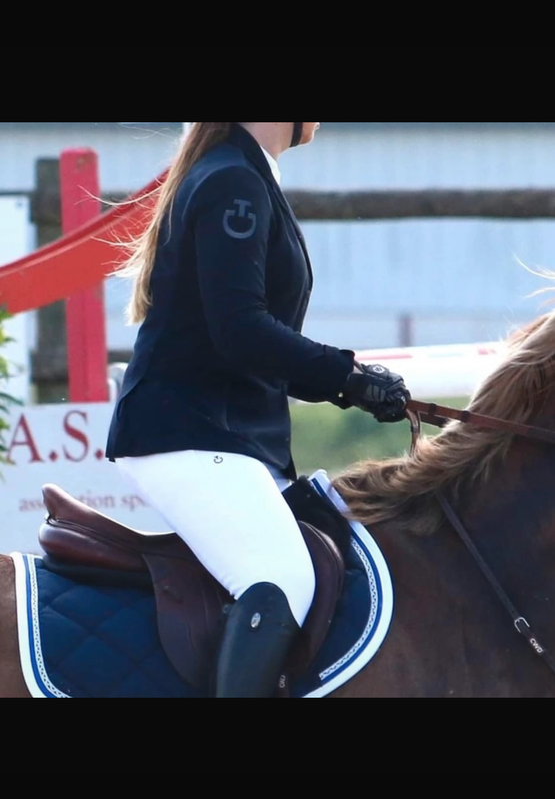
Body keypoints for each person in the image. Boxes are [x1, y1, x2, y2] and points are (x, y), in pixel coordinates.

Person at [106, 122, 411, 697]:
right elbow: (240, 330)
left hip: (228, 434)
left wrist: (347, 380)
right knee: (282, 578)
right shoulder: (233, 185)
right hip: (191, 433)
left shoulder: (243, 176)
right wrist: (347, 378)